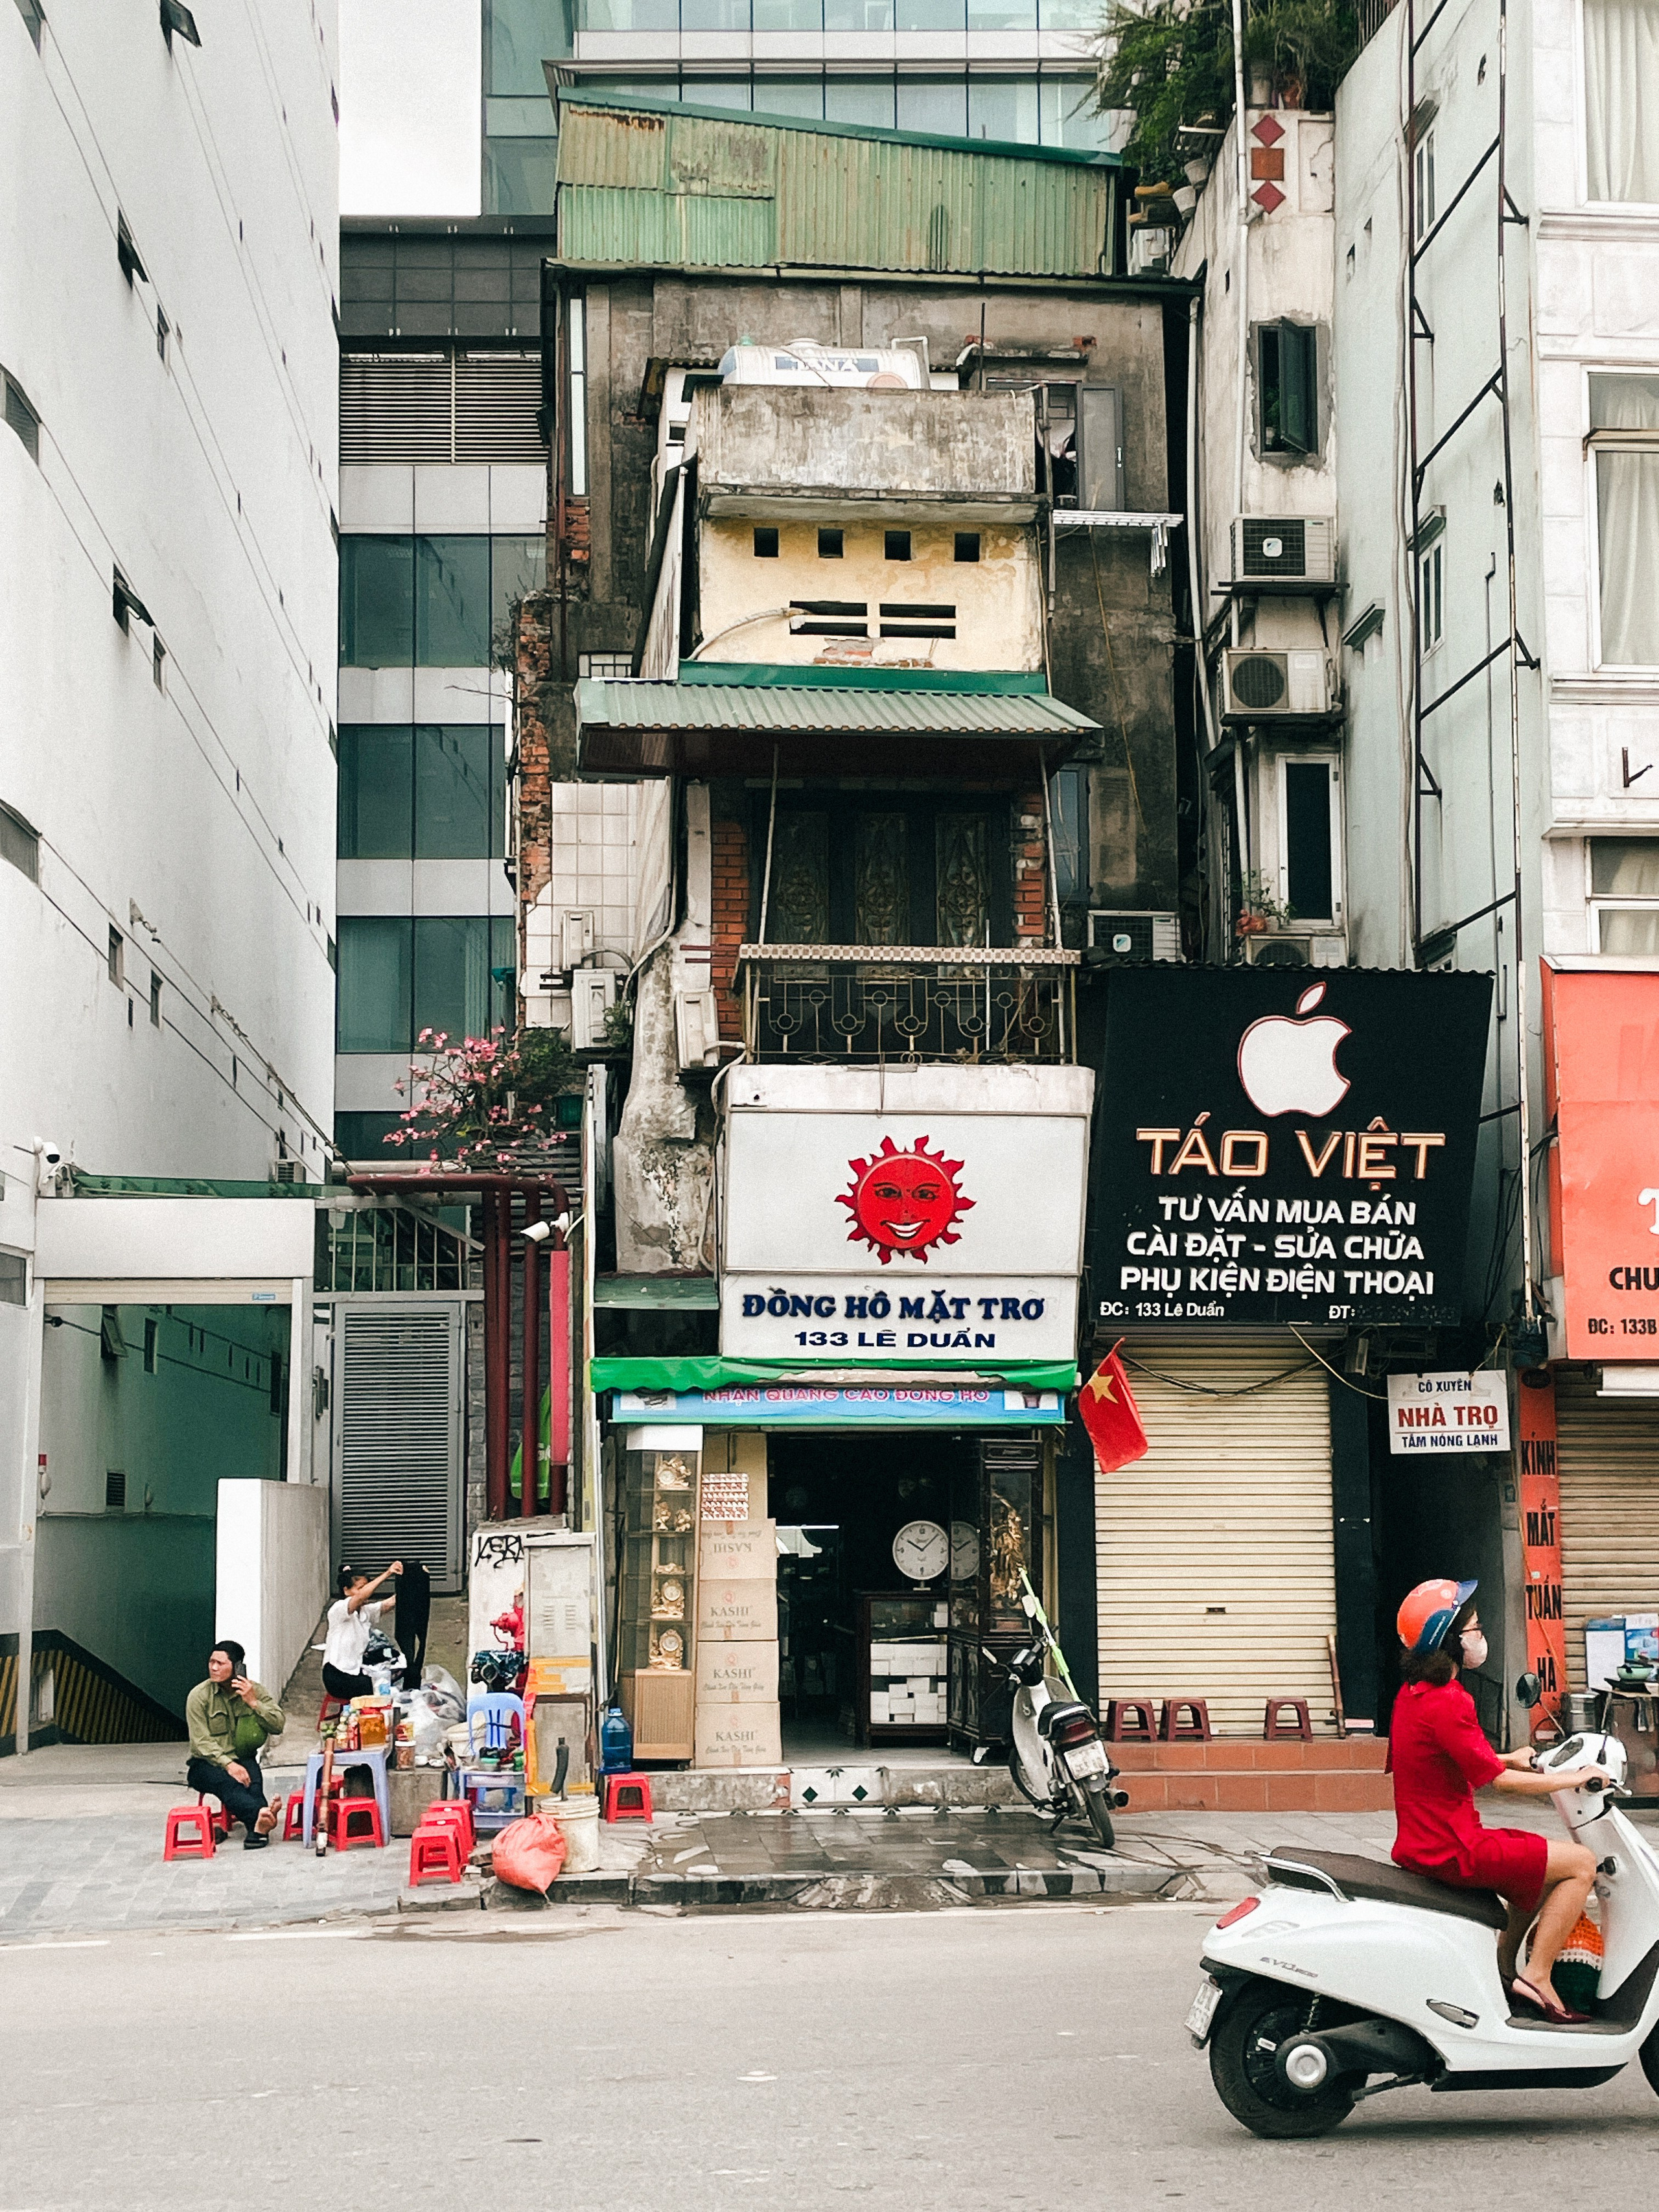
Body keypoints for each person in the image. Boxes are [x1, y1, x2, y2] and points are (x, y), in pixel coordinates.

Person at [1389, 1577, 1610, 2023]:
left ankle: (1503, 1968)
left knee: (1542, 1866)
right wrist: (1574, 1776)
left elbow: (1451, 1755)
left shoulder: (1414, 1696)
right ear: (1450, 1640)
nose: (1479, 1635)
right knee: (1581, 1862)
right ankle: (1539, 1975)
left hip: (1427, 1840)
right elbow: (1498, 1783)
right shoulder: (1452, 1700)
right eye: (1473, 1627)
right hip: (1454, 1848)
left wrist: (1511, 1757)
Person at [184, 1640, 285, 1850]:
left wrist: (253, 1702)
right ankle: (263, 1815)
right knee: (229, 1785)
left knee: (254, 1785)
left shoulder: (253, 1690)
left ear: (237, 1666)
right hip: (205, 1764)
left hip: (244, 1758)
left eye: (220, 1663)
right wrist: (229, 1765)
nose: (213, 1668)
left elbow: (278, 1725)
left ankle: (258, 1831)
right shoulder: (199, 1696)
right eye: (211, 1662)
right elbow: (201, 1742)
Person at [321, 1560, 402, 1703]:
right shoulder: (338, 1610)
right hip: (336, 1676)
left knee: (395, 1675)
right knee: (380, 1688)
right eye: (360, 1588)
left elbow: (387, 1604)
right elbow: (360, 1597)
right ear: (346, 1590)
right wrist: (388, 1573)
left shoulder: (364, 1613)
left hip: (355, 1672)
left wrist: (409, 1583)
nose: (365, 1593)